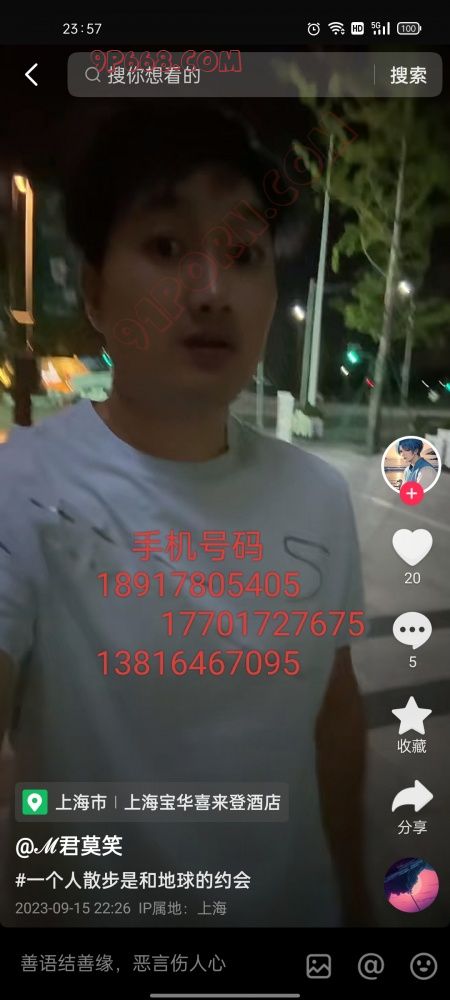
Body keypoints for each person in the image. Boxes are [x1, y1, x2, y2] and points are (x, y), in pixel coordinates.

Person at [0, 101, 371, 928]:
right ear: (95, 292)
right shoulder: (21, 488)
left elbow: (335, 715)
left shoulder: (317, 494)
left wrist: (356, 902)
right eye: (167, 247)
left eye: (243, 255)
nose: (210, 292)